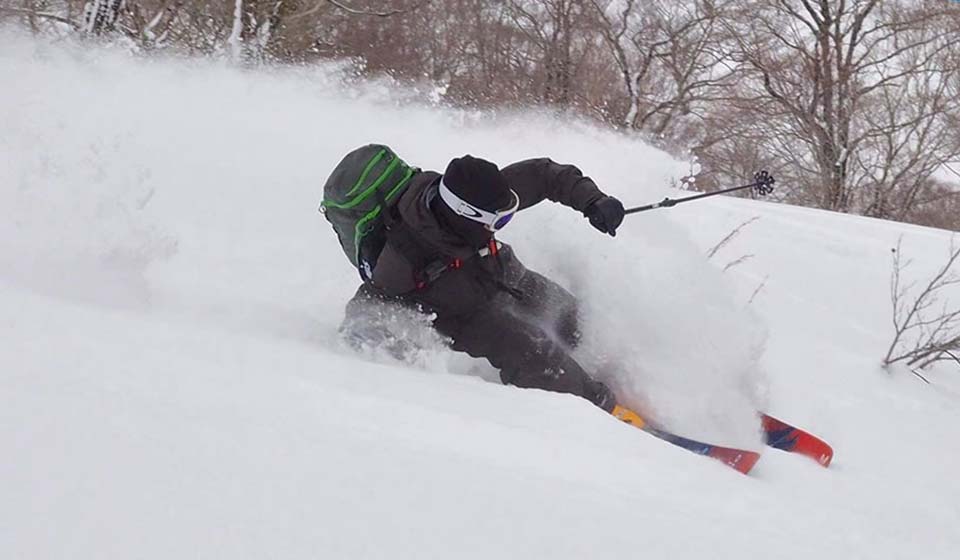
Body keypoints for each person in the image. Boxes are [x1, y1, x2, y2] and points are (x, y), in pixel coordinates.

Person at [341, 155, 626, 412]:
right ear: (466, 215)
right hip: (459, 312)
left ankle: (604, 362)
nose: (498, 227)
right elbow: (371, 300)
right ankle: (599, 409)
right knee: (534, 355)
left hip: (500, 272)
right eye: (498, 222)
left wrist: (592, 200)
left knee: (564, 311)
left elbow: (544, 175)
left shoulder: (480, 194)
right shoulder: (404, 261)